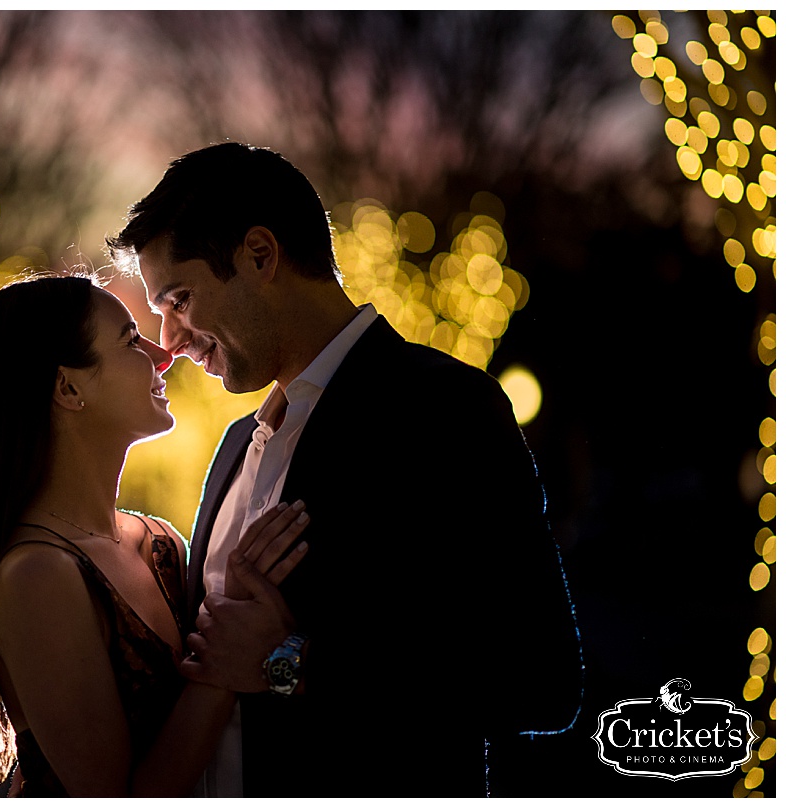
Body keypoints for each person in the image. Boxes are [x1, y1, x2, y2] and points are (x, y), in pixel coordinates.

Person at [106, 142, 584, 797]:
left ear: (260, 255)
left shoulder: (442, 408)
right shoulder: (234, 449)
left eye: (180, 299)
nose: (171, 339)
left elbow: (541, 680)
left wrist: (290, 662)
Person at [0, 273, 312, 797]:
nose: (161, 354)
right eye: (129, 340)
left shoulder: (159, 542)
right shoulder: (37, 575)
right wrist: (222, 660)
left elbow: (249, 674)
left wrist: (275, 649)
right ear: (68, 388)